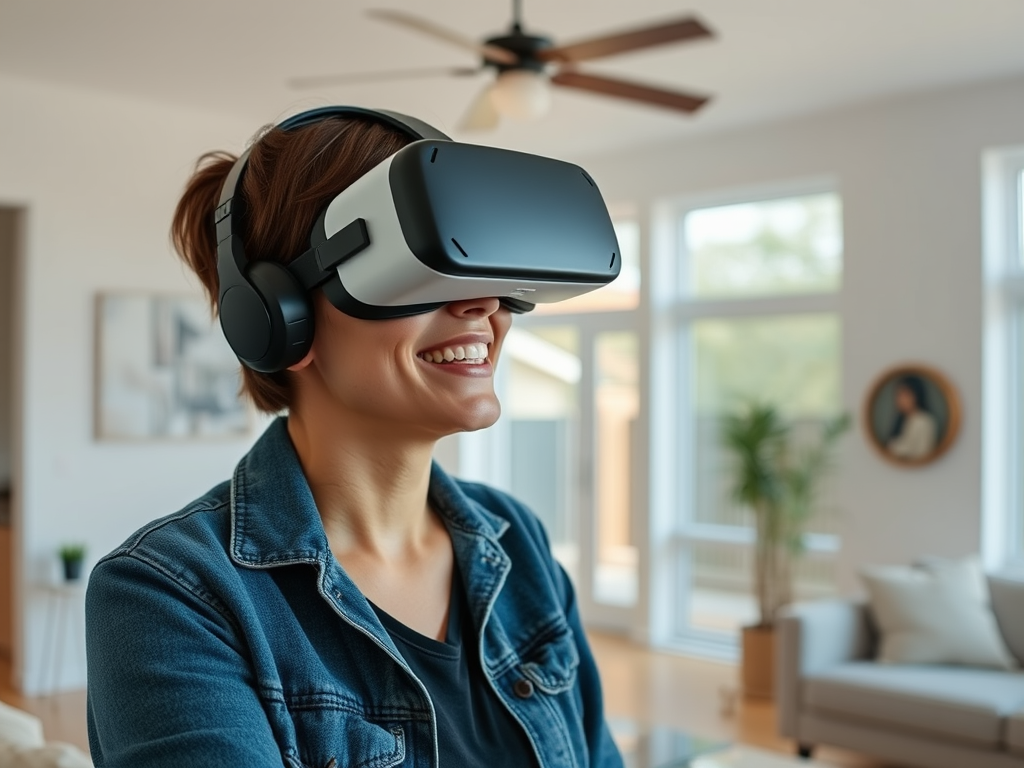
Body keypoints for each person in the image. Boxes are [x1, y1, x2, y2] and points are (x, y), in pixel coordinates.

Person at [85, 108, 625, 768]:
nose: (482, 304)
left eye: (479, 262)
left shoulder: (516, 540)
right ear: (279, 317)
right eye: (421, 268)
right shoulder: (168, 595)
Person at [886, 375, 938, 460]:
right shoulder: (903, 419)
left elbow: (922, 454)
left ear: (917, 395)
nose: (900, 399)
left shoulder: (924, 421)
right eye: (898, 395)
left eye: (905, 395)